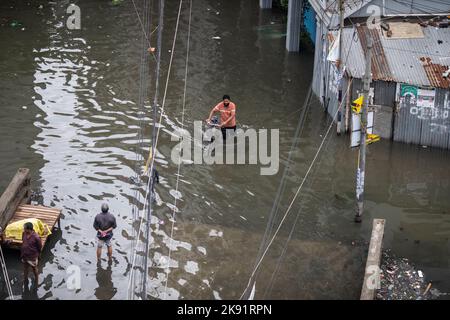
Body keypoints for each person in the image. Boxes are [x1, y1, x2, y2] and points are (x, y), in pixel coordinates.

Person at [21, 222, 42, 288]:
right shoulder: (24, 233)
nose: (24, 229)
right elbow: (23, 241)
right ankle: (25, 279)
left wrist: (38, 255)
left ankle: (36, 280)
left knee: (34, 268)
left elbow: (39, 247)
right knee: (25, 268)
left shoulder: (36, 237)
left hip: (32, 256)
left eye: (24, 228)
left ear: (29, 229)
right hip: (24, 255)